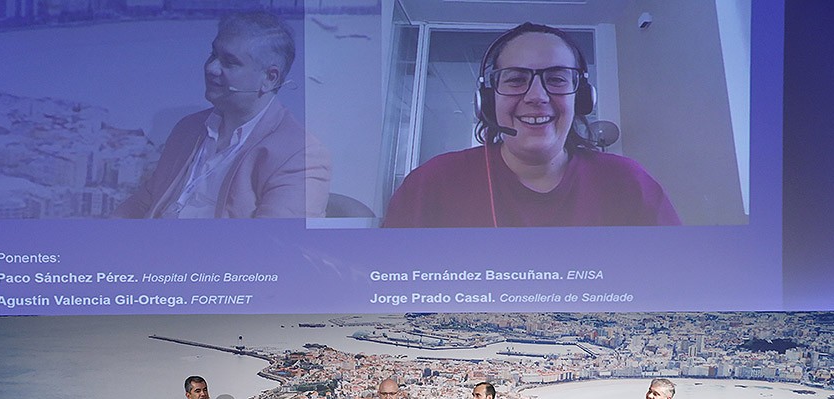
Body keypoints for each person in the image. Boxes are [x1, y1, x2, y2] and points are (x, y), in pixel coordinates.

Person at [382, 22, 680, 228]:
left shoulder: (628, 183)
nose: (537, 96)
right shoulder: (432, 183)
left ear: (583, 98)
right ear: (487, 100)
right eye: (515, 79)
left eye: (557, 79)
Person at [113, 11, 330, 218]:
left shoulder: (300, 155)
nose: (211, 68)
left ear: (270, 78)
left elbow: (275, 246)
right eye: (213, 54)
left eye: (229, 62)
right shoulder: (188, 128)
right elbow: (146, 200)